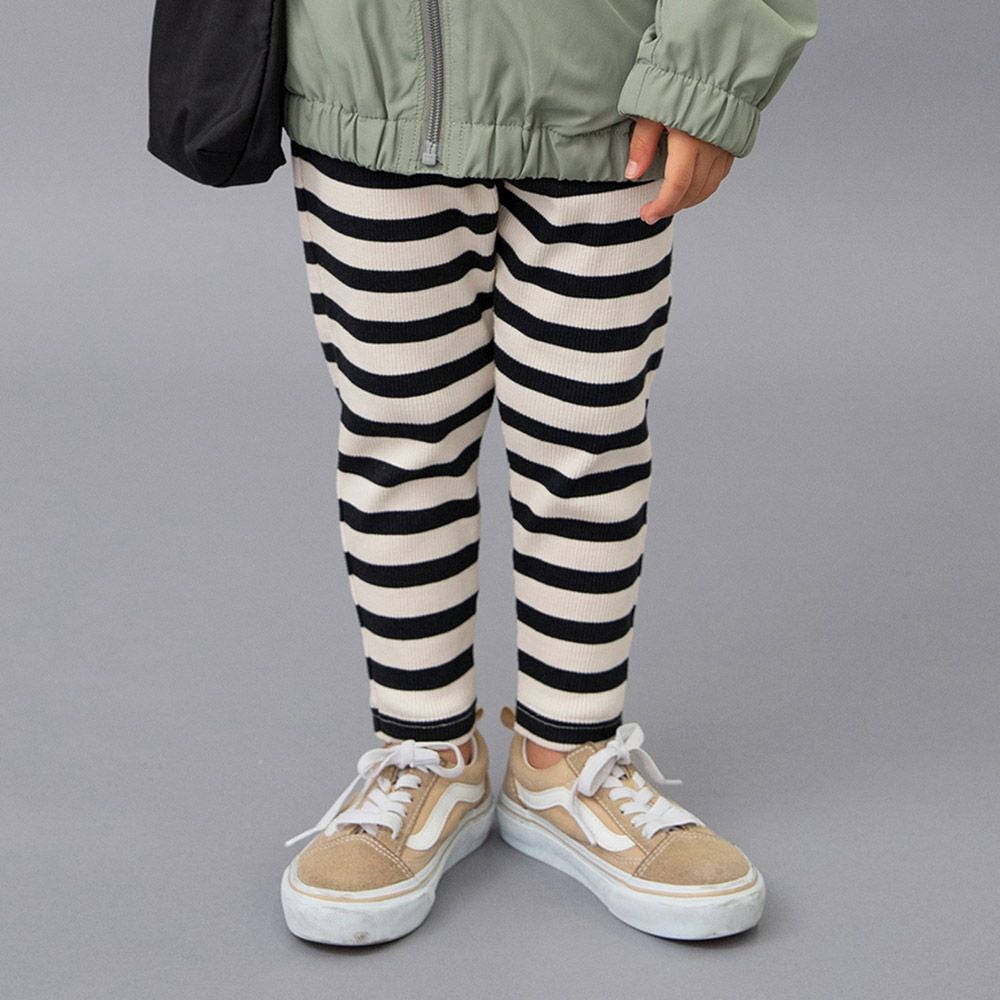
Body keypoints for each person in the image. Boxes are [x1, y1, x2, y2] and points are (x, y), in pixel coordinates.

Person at [277, 0, 819, 946]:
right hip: (365, 82)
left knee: (586, 440)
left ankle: (565, 757)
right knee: (398, 435)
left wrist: (707, 73)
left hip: (605, 89)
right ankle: (426, 750)